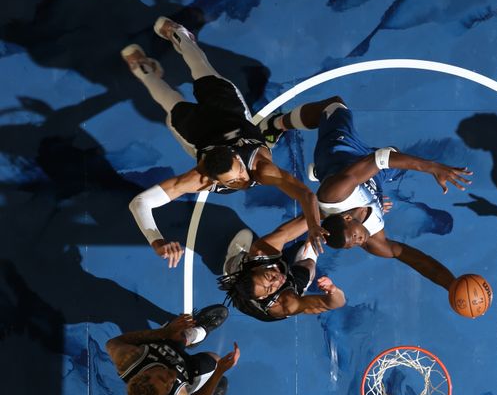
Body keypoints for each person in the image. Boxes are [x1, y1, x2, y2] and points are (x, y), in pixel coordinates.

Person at [121, 17, 326, 268]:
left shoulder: (260, 168)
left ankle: (179, 35)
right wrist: (156, 241)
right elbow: (139, 203)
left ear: (239, 161)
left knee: (201, 69)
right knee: (169, 102)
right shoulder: (200, 177)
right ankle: (144, 71)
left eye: (238, 174)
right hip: (198, 130)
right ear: (214, 180)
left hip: (227, 109)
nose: (241, 181)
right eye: (231, 182)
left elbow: (305, 193)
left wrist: (314, 225)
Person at [260, 95, 473, 290]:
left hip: (341, 153)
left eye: (353, 237)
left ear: (345, 217)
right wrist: (451, 284)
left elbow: (379, 159)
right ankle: (326, 173)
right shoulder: (373, 240)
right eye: (353, 245)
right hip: (373, 178)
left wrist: (433, 167)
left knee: (335, 105)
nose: (359, 242)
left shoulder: (335, 194)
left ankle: (276, 124)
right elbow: (416, 259)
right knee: (395, 153)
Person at [105, 304, 239, 395]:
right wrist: (219, 372)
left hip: (165, 348)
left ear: (146, 372)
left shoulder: (128, 359)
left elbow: (113, 342)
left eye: (162, 378)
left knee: (177, 330)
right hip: (187, 374)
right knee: (215, 362)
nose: (171, 378)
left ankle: (198, 331)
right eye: (168, 386)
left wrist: (164, 332)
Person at [217, 215, 346, 321]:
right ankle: (231, 266)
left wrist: (321, 216)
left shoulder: (261, 250)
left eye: (269, 276)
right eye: (269, 288)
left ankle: (239, 263)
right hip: (266, 304)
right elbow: (337, 303)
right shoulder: (287, 304)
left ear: (256, 269)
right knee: (310, 267)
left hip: (259, 265)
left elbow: (300, 223)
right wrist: (333, 291)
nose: (278, 281)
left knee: (308, 263)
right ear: (262, 297)